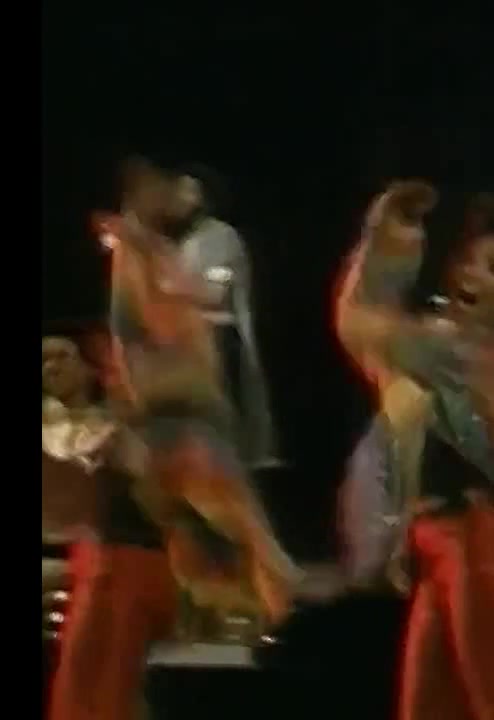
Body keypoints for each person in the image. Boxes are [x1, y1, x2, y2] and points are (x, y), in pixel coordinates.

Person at [334, 182, 494, 720]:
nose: (472, 273)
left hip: (481, 542)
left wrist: (384, 240)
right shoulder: (438, 346)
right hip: (438, 540)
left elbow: (359, 327)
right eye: (468, 259)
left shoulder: (467, 351)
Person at [98, 157, 301, 642]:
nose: (179, 196)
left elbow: (197, 305)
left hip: (189, 402)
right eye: (170, 188)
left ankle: (281, 614)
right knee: (190, 522)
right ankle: (210, 616)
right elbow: (132, 332)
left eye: (185, 189)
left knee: (234, 520)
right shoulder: (139, 250)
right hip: (164, 406)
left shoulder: (192, 244)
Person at [44, 331, 176, 720]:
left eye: (62, 356)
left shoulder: (116, 432)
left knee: (104, 689)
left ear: (88, 370)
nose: (51, 367)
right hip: (89, 563)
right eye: (44, 360)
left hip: (115, 564)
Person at [168, 165, 279, 467]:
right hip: (191, 342)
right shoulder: (185, 241)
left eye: (187, 190)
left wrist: (163, 287)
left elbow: (214, 294)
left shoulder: (220, 236)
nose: (178, 198)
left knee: (222, 429)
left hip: (216, 340)